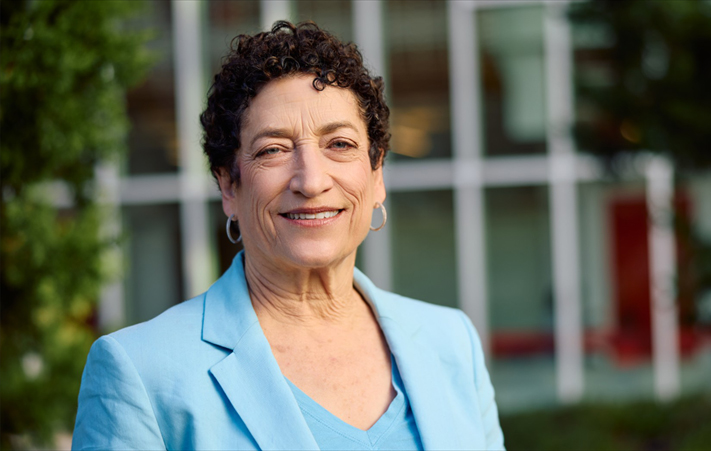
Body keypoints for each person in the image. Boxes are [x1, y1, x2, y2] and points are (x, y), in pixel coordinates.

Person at [72, 21, 504, 451]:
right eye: (273, 150)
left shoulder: (451, 342)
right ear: (228, 186)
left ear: (376, 175)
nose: (311, 181)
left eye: (339, 144)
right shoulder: (140, 372)